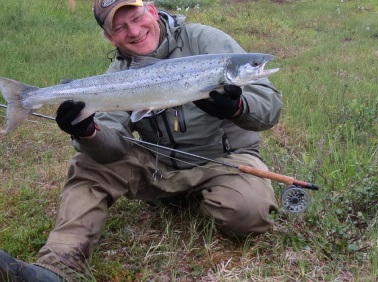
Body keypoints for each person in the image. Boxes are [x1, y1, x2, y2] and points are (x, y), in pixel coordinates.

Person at [0, 0, 282, 281]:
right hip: (158, 165)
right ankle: (56, 267)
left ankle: (192, 198)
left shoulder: (207, 41)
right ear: (110, 37)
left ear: (151, 9)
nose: (133, 31)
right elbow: (113, 147)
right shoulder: (118, 75)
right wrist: (87, 132)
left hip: (223, 160)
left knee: (249, 213)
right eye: (120, 27)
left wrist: (238, 108)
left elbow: (270, 108)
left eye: (136, 17)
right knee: (88, 162)